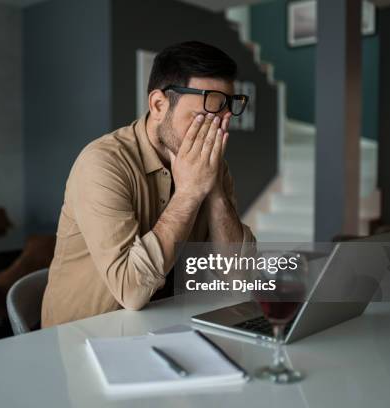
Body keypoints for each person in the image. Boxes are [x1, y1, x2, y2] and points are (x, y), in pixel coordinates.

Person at [41, 41, 256, 327]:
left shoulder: (211, 166)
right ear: (158, 105)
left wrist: (214, 189)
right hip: (82, 337)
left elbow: (240, 278)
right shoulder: (102, 163)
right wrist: (190, 193)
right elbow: (130, 290)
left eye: (227, 111)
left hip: (165, 325)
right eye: (206, 112)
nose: (219, 127)